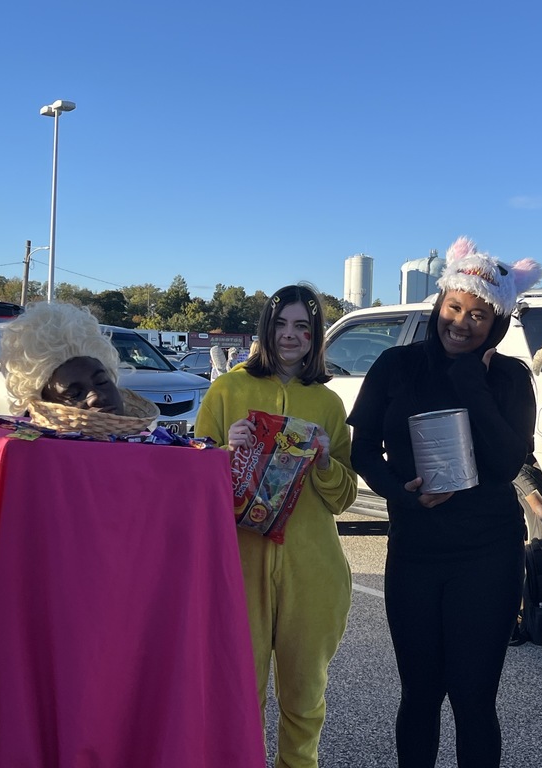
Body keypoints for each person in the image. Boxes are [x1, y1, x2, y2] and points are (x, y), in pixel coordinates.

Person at [348, 236, 542, 768]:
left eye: (479, 314)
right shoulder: (396, 365)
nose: (462, 322)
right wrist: (398, 493)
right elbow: (362, 447)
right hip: (414, 549)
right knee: (419, 695)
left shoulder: (508, 376)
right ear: (440, 304)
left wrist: (472, 383)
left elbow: (507, 465)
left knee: (474, 699)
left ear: (497, 321)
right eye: (454, 307)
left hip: (487, 553)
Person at [195, 284, 356, 768]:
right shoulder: (228, 390)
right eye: (281, 325)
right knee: (240, 696)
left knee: (305, 701)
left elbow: (344, 498)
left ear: (315, 337)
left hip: (313, 572)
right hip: (239, 568)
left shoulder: (327, 403)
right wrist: (224, 454)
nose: (290, 336)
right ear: (266, 329)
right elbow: (193, 485)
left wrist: (326, 460)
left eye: (302, 328)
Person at [0, 301, 159, 435]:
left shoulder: (152, 447)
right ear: (45, 405)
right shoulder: (33, 457)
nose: (95, 396)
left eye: (102, 381)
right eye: (74, 393)